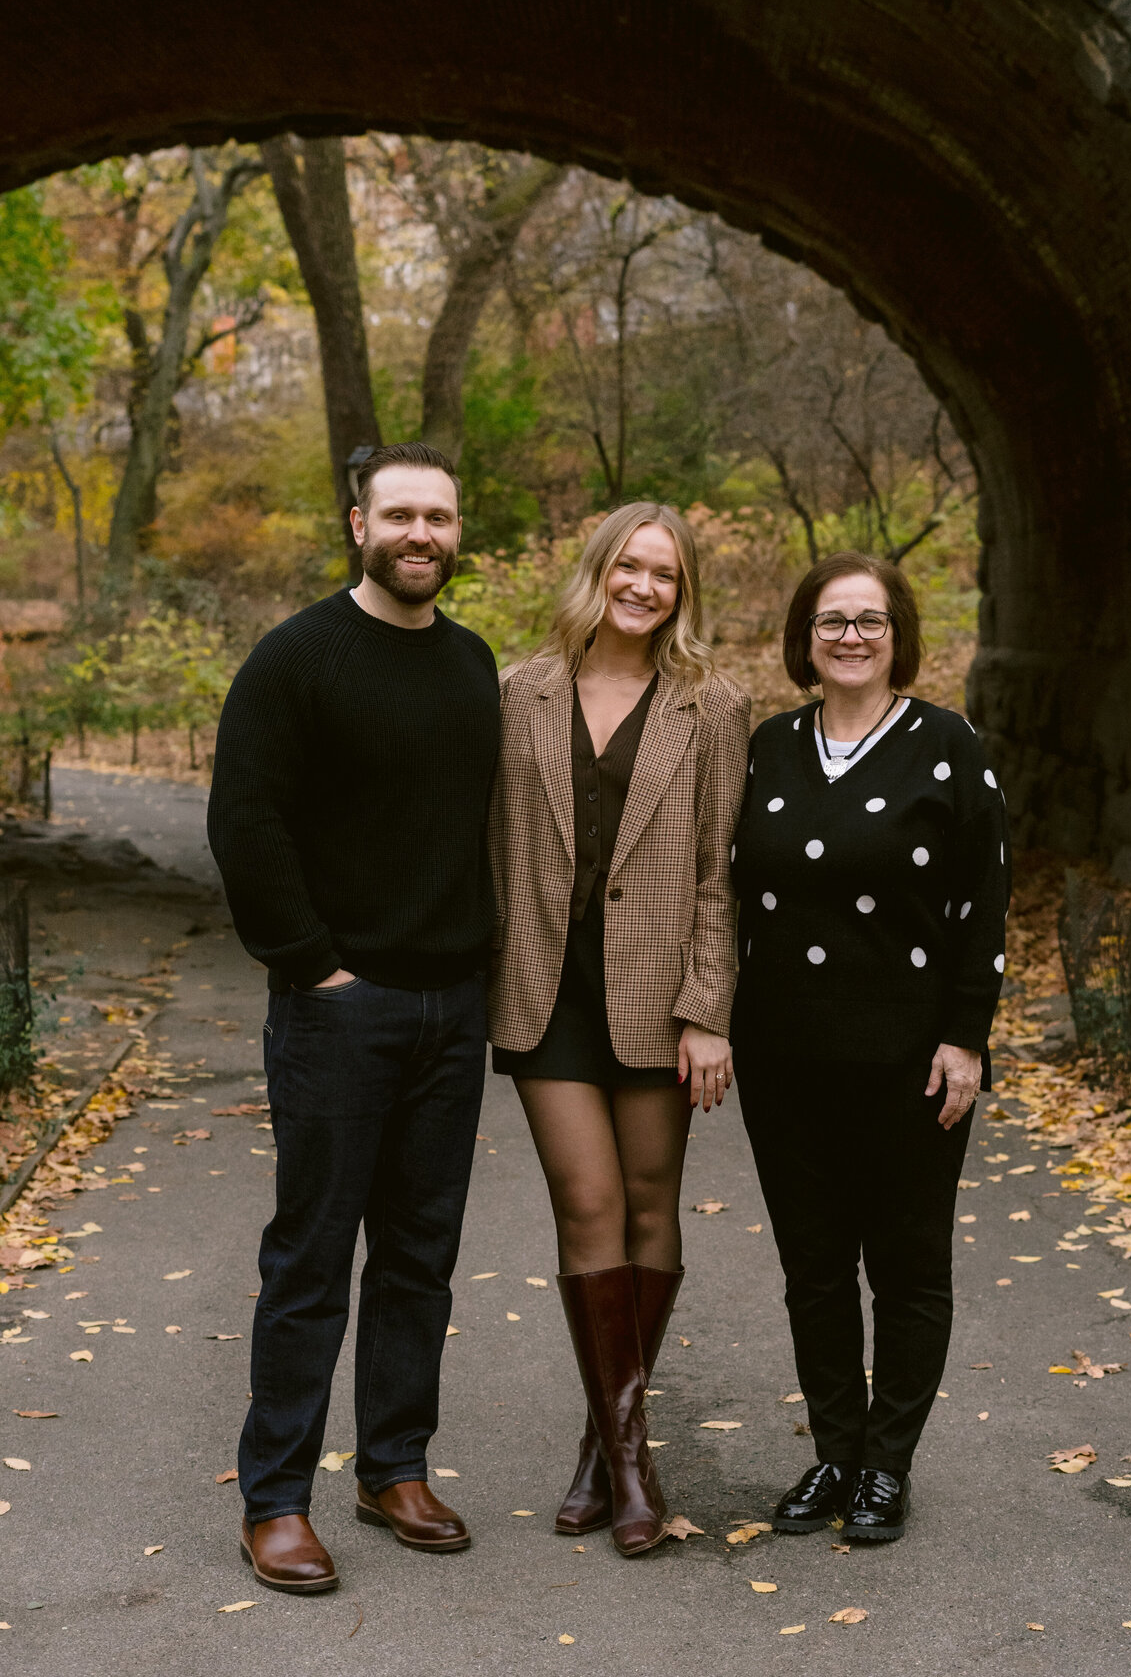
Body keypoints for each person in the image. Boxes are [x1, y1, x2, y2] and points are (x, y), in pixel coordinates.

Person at [207, 443, 499, 1593]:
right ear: (357, 525)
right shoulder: (296, 659)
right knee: (314, 1257)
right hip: (340, 1011)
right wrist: (312, 966)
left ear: (456, 532)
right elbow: (247, 820)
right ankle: (276, 1499)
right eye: (400, 515)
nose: (420, 534)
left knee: (422, 1255)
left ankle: (394, 1469)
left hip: (450, 1009)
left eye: (438, 516)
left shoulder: (474, 664)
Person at [730, 550, 1009, 1543]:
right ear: (805, 636)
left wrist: (964, 1040)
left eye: (871, 620)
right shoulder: (766, 747)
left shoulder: (947, 746)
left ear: (899, 637)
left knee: (905, 1266)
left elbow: (984, 907)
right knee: (813, 1268)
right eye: (833, 620)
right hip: (783, 1058)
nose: (852, 636)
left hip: (907, 1060)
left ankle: (888, 1467)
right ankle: (834, 1455)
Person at [488, 502, 749, 1557]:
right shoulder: (517, 691)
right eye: (630, 567)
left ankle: (608, 1447)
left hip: (657, 996)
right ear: (597, 570)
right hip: (546, 992)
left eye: (667, 575)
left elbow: (718, 873)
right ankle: (636, 1462)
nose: (645, 587)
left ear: (683, 593)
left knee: (651, 1208)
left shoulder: (711, 705)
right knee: (587, 1203)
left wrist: (708, 1012)